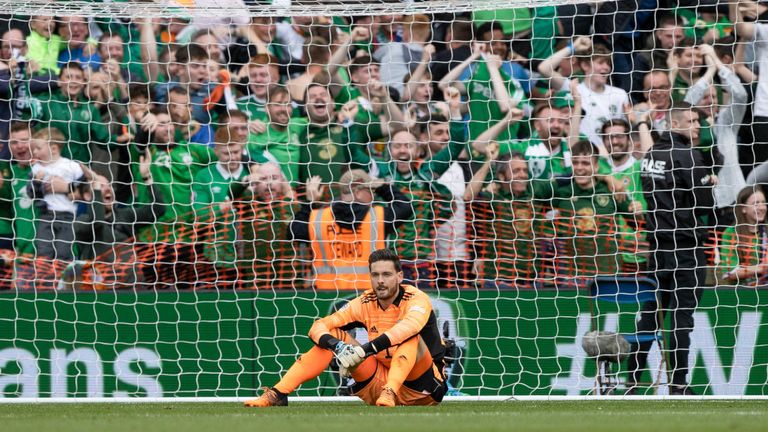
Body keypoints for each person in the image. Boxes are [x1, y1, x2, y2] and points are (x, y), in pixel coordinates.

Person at [244, 248, 447, 407]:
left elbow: (408, 327)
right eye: (375, 275)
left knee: (410, 336)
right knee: (332, 334)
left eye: (386, 274)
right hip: (377, 382)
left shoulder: (417, 298)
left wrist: (363, 350)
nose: (380, 281)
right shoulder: (365, 301)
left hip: (422, 389)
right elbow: (318, 326)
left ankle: (391, 391)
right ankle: (278, 394)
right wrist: (338, 347)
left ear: (400, 277)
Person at [632, 101, 718, 395]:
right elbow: (706, 203)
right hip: (685, 247)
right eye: (692, 120)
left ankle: (632, 381)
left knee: (650, 314)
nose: (697, 125)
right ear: (675, 123)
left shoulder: (650, 154)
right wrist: (709, 181)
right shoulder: (688, 155)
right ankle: (679, 384)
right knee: (682, 318)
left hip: (656, 247)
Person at [289, 170, 412, 290]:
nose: (373, 195)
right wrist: (383, 187)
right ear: (358, 192)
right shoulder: (378, 217)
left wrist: (310, 203)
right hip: (371, 296)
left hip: (327, 296)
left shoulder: (318, 219)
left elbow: (292, 232)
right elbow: (405, 207)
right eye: (370, 190)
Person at [27, 127, 95, 261]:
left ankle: (62, 280)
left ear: (54, 148)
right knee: (43, 251)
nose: (34, 152)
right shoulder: (36, 169)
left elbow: (86, 186)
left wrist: (68, 187)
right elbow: (31, 193)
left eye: (38, 148)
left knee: (63, 252)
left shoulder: (71, 166)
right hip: (46, 215)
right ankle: (45, 280)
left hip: (68, 216)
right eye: (33, 149)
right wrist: (36, 182)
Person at [717, 185, 768, 286]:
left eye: (763, 203)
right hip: (741, 293)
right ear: (743, 208)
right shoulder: (730, 233)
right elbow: (729, 273)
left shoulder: (766, 230)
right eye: (756, 203)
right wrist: (761, 268)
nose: (762, 207)